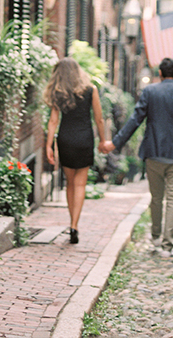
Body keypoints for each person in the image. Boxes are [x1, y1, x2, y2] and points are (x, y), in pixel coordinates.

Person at [101, 57, 173, 256]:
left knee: (156, 198)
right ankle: (167, 245)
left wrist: (115, 143)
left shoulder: (150, 92)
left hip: (154, 153)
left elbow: (134, 121)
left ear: (161, 74)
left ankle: (155, 238)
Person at [45, 57, 105, 244]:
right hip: (85, 139)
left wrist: (49, 145)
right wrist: (103, 140)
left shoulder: (59, 93)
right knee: (80, 185)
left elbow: (53, 121)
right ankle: (74, 225)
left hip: (66, 140)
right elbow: (99, 118)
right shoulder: (90, 90)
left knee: (70, 183)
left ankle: (72, 224)